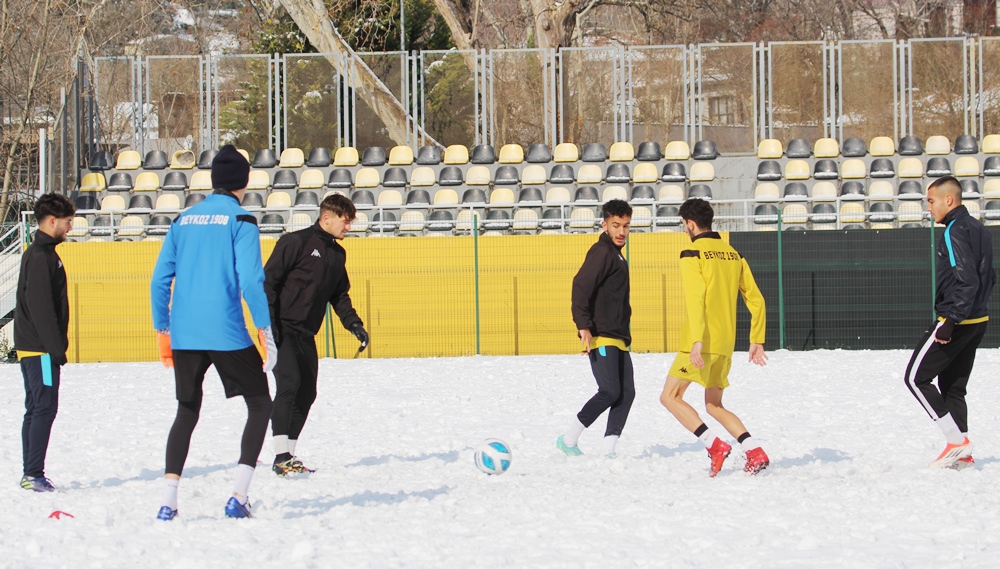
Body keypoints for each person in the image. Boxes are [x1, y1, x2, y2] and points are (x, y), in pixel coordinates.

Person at [150, 145, 276, 520]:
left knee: (186, 410)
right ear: (245, 181)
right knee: (260, 403)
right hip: (226, 330)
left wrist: (163, 329)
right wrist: (264, 328)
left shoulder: (182, 220)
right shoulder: (241, 220)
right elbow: (252, 280)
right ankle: (238, 495)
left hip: (185, 332)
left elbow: (160, 280)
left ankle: (169, 501)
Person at [659, 198, 769, 477]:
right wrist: (757, 338)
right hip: (725, 344)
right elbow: (756, 300)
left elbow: (696, 299)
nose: (684, 230)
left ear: (691, 224)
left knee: (670, 397)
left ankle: (714, 446)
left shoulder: (692, 253)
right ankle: (754, 451)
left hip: (700, 342)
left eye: (684, 225)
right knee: (714, 405)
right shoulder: (734, 254)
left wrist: (697, 340)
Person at [264, 193, 368, 476]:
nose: (348, 228)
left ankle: (289, 456)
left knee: (307, 392)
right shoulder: (294, 242)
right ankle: (280, 456)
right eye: (345, 222)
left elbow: (339, 296)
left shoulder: (337, 253)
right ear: (326, 218)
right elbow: (268, 283)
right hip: (282, 327)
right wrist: (269, 326)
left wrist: (354, 325)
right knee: (289, 384)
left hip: (306, 334)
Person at [905, 176, 994, 469]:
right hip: (978, 318)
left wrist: (951, 321)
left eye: (931, 201)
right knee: (953, 387)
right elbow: (988, 277)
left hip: (957, 319)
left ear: (949, 200)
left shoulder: (954, 230)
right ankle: (963, 455)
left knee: (915, 379)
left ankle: (956, 442)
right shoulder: (979, 227)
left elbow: (966, 280)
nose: (928, 208)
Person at [557, 199, 635, 458]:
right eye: (616, 225)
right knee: (610, 391)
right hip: (602, 335)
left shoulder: (617, 254)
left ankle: (608, 449)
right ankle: (568, 440)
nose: (621, 231)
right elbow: (580, 285)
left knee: (626, 394)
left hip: (619, 336)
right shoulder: (602, 252)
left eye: (625, 226)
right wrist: (583, 326)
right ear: (604, 225)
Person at [14, 193, 75, 492]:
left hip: (35, 348)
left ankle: (31, 472)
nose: (70, 228)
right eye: (67, 222)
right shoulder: (40, 257)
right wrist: (55, 350)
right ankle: (33, 474)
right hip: (40, 349)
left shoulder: (43, 253)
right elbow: (41, 308)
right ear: (52, 221)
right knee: (44, 408)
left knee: (36, 407)